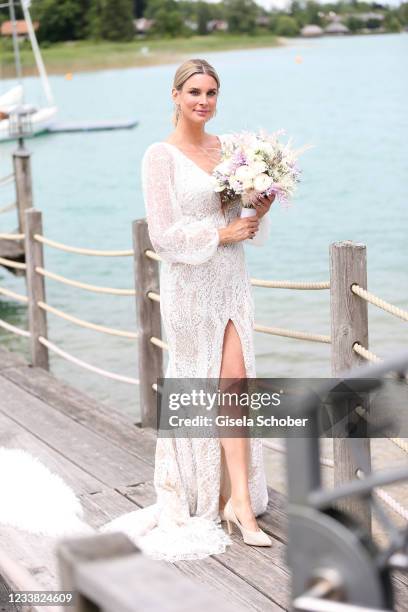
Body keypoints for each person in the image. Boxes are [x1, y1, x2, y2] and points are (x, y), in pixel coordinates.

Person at [101, 58, 275, 561]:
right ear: (176, 95)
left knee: (237, 385)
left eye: (212, 92)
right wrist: (220, 233)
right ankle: (213, 495)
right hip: (189, 285)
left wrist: (255, 211)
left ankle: (240, 502)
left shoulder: (230, 151)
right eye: (195, 91)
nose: (204, 101)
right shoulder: (160, 156)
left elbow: (237, 218)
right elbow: (162, 236)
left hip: (231, 279)